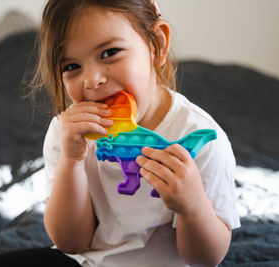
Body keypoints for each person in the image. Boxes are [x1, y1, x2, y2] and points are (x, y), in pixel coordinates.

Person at [30, 0, 241, 266]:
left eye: (109, 52)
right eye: (71, 66)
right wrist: (71, 161)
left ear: (157, 44)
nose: (92, 79)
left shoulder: (201, 137)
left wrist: (193, 206)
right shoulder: (68, 133)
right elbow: (71, 242)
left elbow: (206, 259)